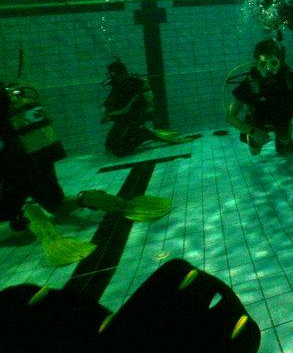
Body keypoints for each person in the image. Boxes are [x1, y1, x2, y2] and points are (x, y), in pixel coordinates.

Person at [1, 81, 170, 265]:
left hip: (15, 165)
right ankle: (86, 199)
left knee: (8, 217)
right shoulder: (11, 98)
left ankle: (23, 219)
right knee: (57, 206)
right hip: (40, 157)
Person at [225, 39, 293, 155]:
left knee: (285, 140)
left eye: (273, 63)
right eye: (263, 64)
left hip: (282, 116)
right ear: (257, 65)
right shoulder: (250, 83)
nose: (268, 69)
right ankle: (252, 130)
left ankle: (283, 134)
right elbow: (230, 116)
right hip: (258, 118)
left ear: (279, 62)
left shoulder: (289, 77)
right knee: (255, 152)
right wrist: (251, 131)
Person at [101, 59, 171, 157]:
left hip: (134, 117)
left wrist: (108, 114)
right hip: (125, 117)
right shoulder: (119, 85)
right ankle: (137, 133)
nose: (109, 77)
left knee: (119, 151)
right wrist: (105, 111)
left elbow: (126, 109)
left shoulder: (133, 84)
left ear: (118, 74)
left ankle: (143, 135)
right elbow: (110, 100)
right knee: (109, 145)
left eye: (111, 74)